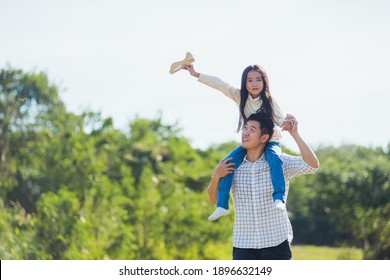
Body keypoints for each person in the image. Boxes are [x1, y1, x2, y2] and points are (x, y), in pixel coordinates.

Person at [182, 64, 287, 221]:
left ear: (264, 82)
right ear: (245, 83)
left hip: (270, 141)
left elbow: (281, 119)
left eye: (258, 80)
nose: (254, 84)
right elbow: (221, 85)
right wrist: (196, 74)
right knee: (227, 164)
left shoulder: (270, 101)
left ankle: (278, 198)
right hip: (251, 143)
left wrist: (288, 123)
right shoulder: (241, 97)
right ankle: (222, 205)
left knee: (274, 158)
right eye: (250, 80)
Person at [208, 112, 319, 260]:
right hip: (244, 245)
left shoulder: (280, 162)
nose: (245, 133)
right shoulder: (232, 166)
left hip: (276, 243)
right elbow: (212, 199)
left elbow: (312, 165)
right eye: (245, 128)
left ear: (264, 138)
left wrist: (295, 134)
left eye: (252, 130)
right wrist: (215, 176)